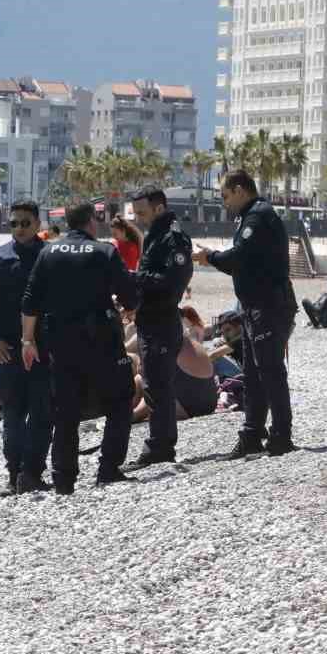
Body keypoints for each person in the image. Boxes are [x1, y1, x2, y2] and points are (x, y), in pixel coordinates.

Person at [20, 201, 139, 494]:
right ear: (91, 222)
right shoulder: (105, 251)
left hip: (61, 342)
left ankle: (64, 478)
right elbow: (129, 295)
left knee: (65, 411)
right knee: (120, 400)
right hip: (101, 341)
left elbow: (30, 300)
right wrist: (129, 308)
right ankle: (108, 468)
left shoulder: (49, 252)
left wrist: (27, 340)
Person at [193, 170, 295, 458]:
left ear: (240, 190)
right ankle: (252, 433)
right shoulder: (250, 216)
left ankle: (281, 437)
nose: (224, 203)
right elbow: (242, 258)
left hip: (269, 306)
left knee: (270, 371)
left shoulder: (259, 216)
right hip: (253, 307)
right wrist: (214, 256)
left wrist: (210, 257)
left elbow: (239, 256)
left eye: (226, 196)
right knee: (252, 372)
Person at [0, 199, 53, 495]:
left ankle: (32, 473)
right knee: (13, 414)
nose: (19, 228)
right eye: (13, 223)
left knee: (43, 414)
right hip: (8, 350)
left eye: (25, 223)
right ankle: (13, 473)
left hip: (44, 349)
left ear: (38, 225)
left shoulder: (49, 256)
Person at [128, 186, 194, 466]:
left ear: (159, 208)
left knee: (159, 386)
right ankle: (159, 444)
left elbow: (174, 280)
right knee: (154, 384)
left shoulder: (173, 237)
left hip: (162, 320)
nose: (138, 218)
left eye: (142, 212)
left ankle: (161, 447)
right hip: (150, 319)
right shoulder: (156, 235)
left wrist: (137, 278)